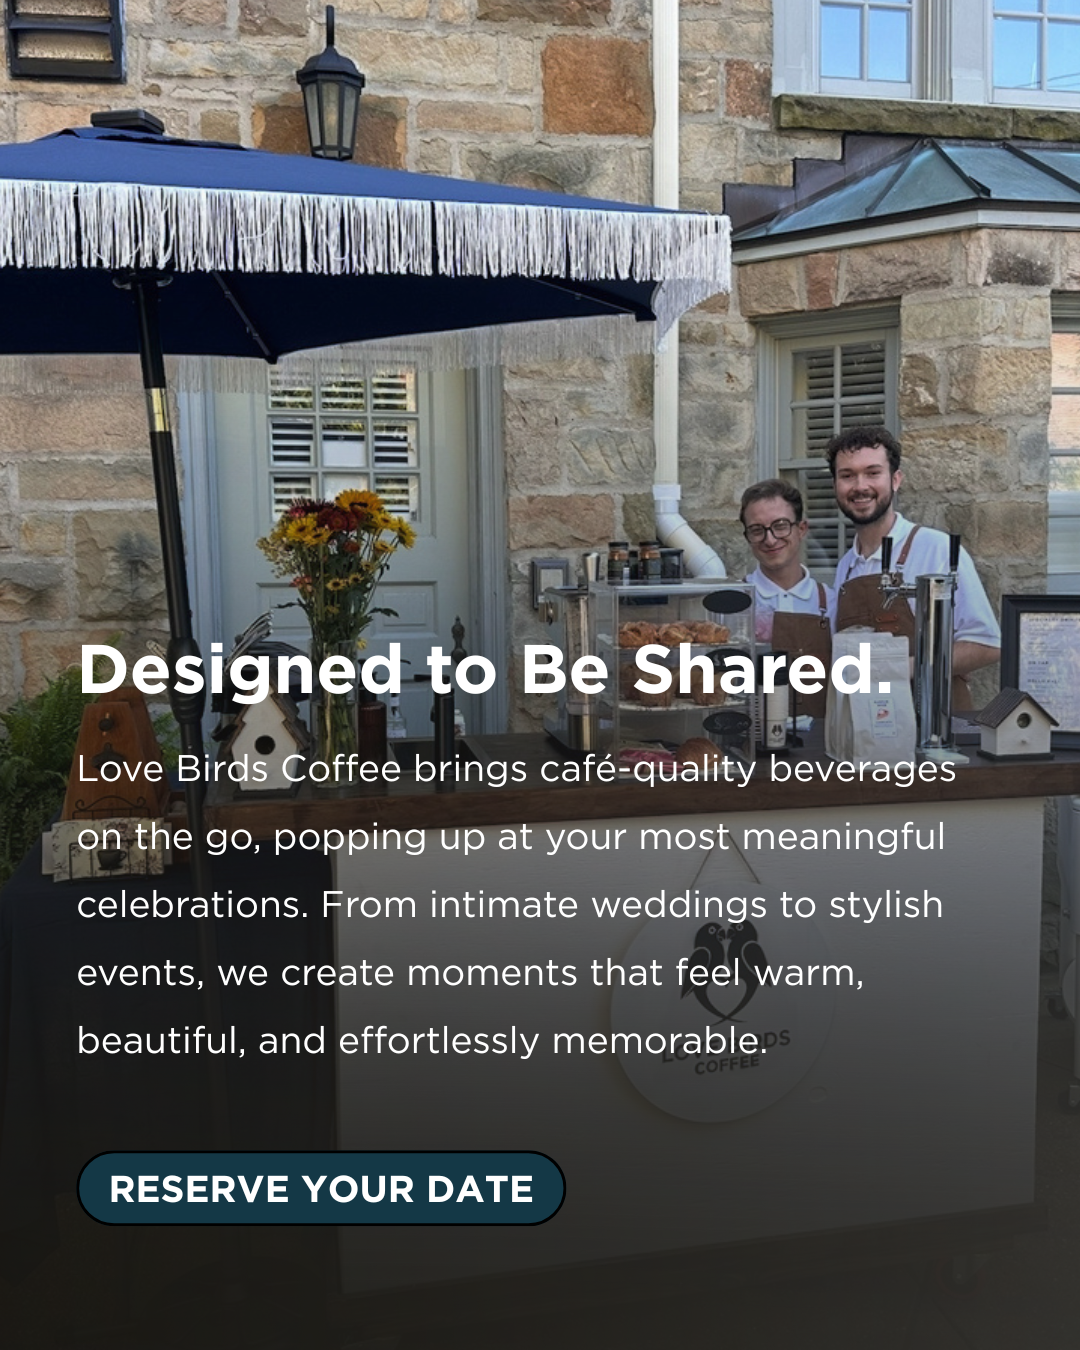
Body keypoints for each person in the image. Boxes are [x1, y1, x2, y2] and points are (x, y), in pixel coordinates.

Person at [827, 425, 1000, 706]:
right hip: (870, 727)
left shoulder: (936, 549)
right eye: (847, 476)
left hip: (936, 727)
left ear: (895, 480)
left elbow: (987, 645)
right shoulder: (847, 565)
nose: (860, 486)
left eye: (873, 473)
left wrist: (895, 668)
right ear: (836, 485)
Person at [741, 478, 835, 716]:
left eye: (780, 525)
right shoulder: (735, 604)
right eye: (757, 530)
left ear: (801, 529)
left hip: (819, 742)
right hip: (751, 741)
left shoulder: (831, 603)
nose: (770, 539)